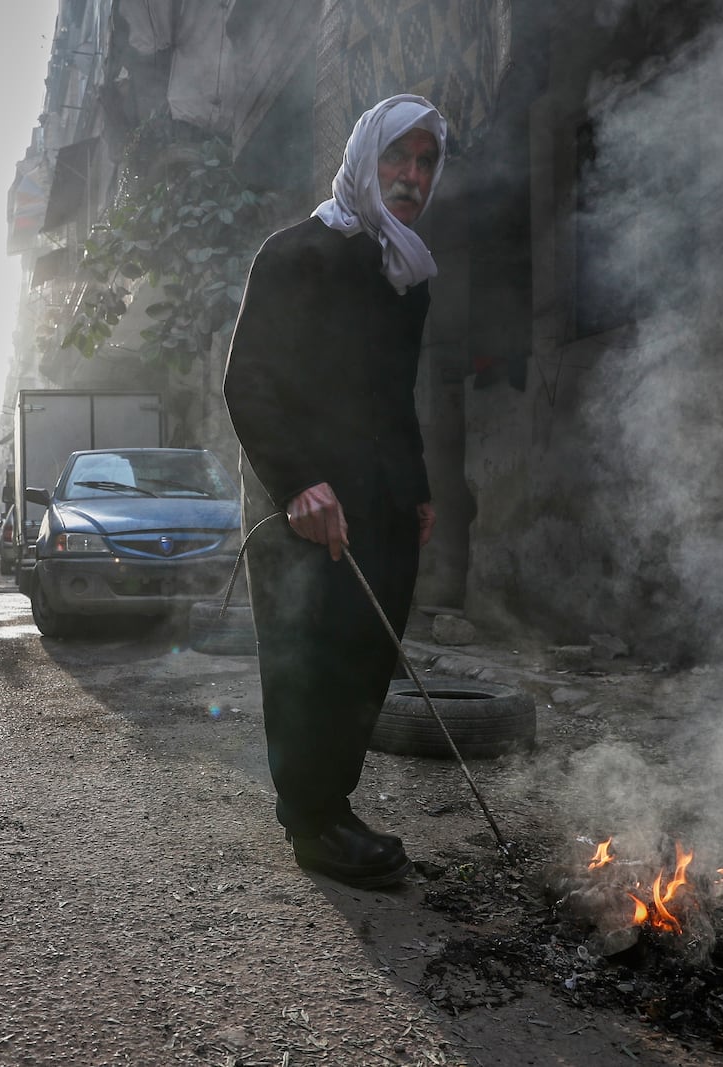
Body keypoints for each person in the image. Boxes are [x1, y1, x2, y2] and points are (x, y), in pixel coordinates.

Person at [221, 94, 447, 890]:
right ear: (363, 158)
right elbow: (246, 382)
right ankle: (312, 821)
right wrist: (296, 485)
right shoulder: (294, 254)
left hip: (381, 498)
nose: (412, 176)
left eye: (425, 162)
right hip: (304, 501)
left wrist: (416, 487)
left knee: (367, 655)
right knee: (307, 658)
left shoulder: (406, 273)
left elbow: (395, 394)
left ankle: (335, 803)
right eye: (398, 158)